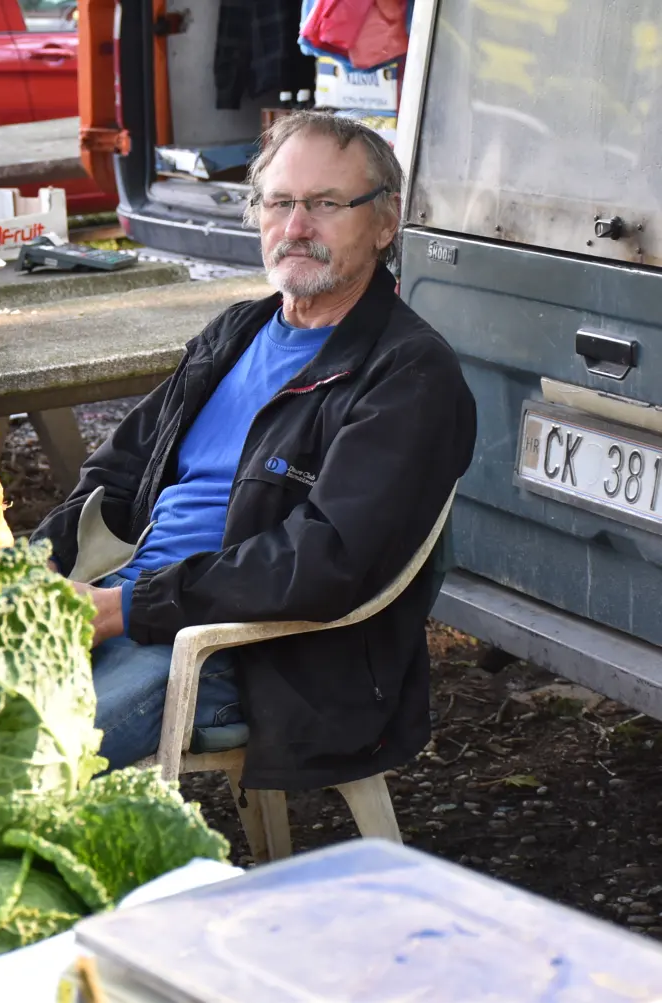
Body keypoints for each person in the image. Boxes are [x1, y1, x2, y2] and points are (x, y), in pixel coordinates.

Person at [32, 111, 476, 793]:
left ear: (385, 223)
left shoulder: (409, 374)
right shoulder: (238, 331)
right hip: (130, 606)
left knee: (16, 762)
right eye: (280, 202)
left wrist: (127, 609)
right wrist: (40, 565)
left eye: (327, 204)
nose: (297, 226)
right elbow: (119, 468)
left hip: (246, 654)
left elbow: (327, 559)